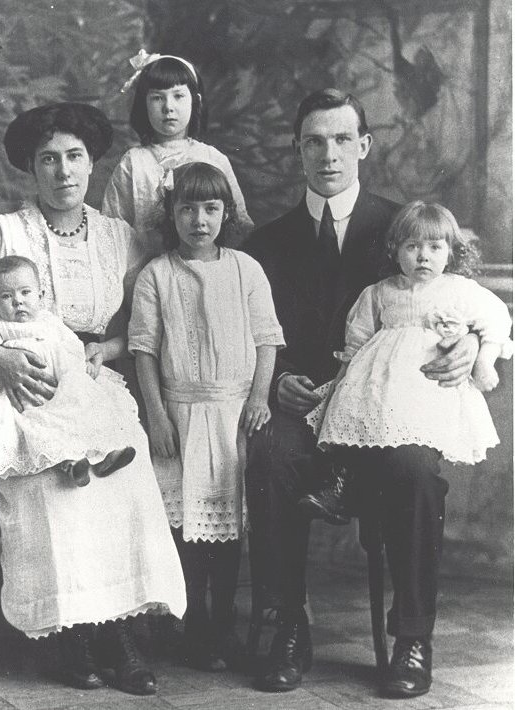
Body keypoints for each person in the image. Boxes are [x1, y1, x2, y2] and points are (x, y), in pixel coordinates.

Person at [244, 89, 481, 697]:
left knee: (415, 469)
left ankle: (413, 636)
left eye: (342, 139)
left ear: (364, 146)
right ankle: (287, 623)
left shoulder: (408, 228)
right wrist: (277, 378)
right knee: (271, 454)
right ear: (298, 150)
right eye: (314, 141)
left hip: (393, 404)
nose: (329, 154)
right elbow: (245, 329)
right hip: (305, 404)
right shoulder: (266, 244)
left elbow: (462, 299)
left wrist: (472, 343)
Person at [0, 102, 186, 696]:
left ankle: (120, 633)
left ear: (91, 163)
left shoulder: (118, 237)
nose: (63, 171)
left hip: (89, 382)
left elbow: (145, 324)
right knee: (54, 487)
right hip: (21, 394)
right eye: (49, 159)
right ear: (32, 168)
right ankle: (70, 636)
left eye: (74, 156)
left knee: (124, 475)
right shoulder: (1, 235)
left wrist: (107, 348)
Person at [129, 162, 284, 671]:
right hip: (180, 414)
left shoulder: (246, 269)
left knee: (229, 525)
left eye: (211, 209)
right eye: (187, 209)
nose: (199, 220)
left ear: (226, 213)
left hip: (234, 414)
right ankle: (194, 622)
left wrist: (259, 398)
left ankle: (223, 622)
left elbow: (266, 339)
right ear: (171, 214)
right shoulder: (156, 275)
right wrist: (156, 415)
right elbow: (144, 350)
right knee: (186, 531)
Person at [305, 201, 511, 539]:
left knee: (411, 463)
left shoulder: (459, 290)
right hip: (378, 392)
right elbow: (357, 339)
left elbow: (496, 319)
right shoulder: (379, 292)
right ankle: (343, 489)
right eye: (412, 246)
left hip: (425, 396)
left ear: (450, 252)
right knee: (354, 436)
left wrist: (484, 360)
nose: (423, 256)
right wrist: (342, 383)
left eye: (434, 247)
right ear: (395, 250)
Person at [0, 255, 137, 487]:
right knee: (39, 424)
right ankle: (70, 462)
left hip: (61, 382)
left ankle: (108, 451)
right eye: (6, 296)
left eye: (25, 292)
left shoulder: (49, 320)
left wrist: (84, 363)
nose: (18, 301)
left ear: (40, 296)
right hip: (23, 390)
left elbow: (70, 343)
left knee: (86, 406)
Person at [102, 49, 253, 264]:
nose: (168, 107)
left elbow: (239, 226)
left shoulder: (213, 158)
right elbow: (111, 231)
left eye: (178, 96)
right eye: (157, 98)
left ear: (195, 101)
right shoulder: (133, 163)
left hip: (209, 271)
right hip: (145, 274)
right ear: (144, 104)